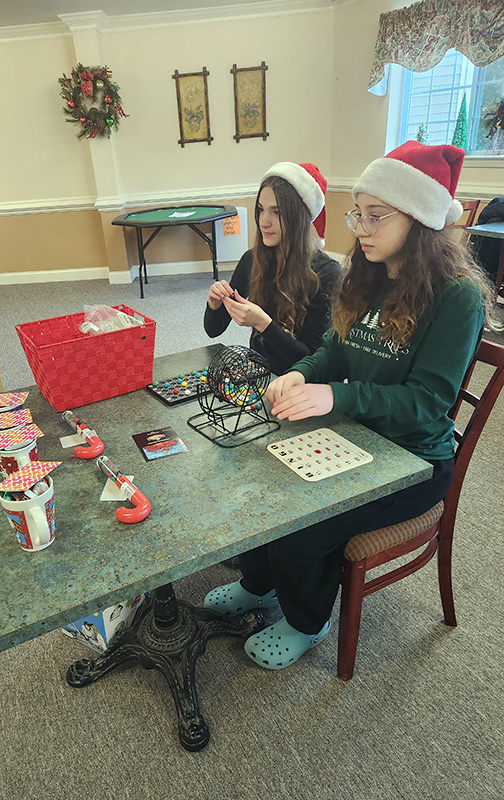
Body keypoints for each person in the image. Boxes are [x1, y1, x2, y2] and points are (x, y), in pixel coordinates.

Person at [203, 141, 495, 670]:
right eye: (357, 213)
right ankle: (260, 583)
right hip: (355, 432)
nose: (359, 227)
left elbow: (428, 403)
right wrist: (299, 372)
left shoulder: (457, 298)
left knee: (307, 519)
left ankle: (305, 621)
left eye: (375, 215)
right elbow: (332, 349)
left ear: (421, 219)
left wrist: (334, 393)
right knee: (256, 475)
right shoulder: (368, 273)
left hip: (412, 461)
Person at [204, 162, 342, 376]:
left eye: (276, 212)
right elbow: (214, 330)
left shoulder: (327, 273)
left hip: (299, 386)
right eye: (261, 210)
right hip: (259, 377)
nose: (264, 222)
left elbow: (313, 361)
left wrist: (263, 323)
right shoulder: (252, 259)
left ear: (299, 217)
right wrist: (214, 305)